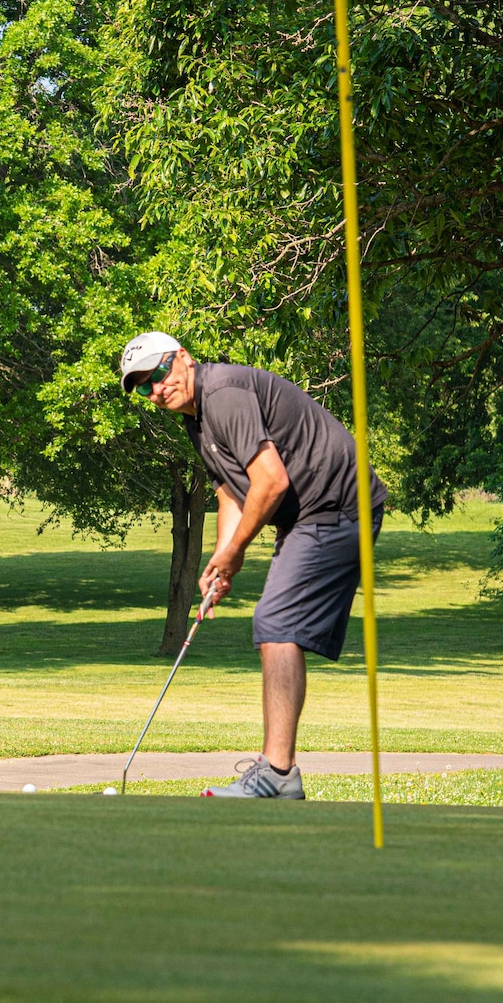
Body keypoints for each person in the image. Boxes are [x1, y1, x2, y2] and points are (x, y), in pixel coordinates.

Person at [120, 331, 386, 800]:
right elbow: (232, 492)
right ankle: (276, 773)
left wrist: (233, 551)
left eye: (159, 373)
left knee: (276, 622)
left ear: (184, 357)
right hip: (313, 514)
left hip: (338, 505)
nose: (157, 389)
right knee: (275, 623)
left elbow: (271, 480)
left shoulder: (222, 395)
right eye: (143, 387)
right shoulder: (199, 423)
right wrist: (222, 562)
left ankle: (279, 776)